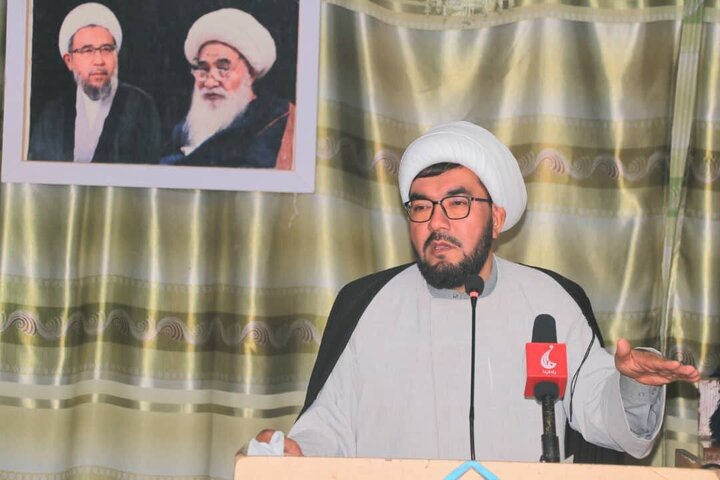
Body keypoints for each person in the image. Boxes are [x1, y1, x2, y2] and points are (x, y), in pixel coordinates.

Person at [255, 121, 700, 460]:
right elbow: (328, 427)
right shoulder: (365, 303)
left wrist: (633, 386)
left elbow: (599, 413)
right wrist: (293, 454)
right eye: (422, 206)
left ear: (498, 218)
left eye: (457, 202)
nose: (437, 222)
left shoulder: (550, 301)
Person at [160, 8, 295, 169]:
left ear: (249, 74)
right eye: (203, 69)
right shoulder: (184, 130)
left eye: (223, 68)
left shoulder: (275, 119)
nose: (210, 83)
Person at [28, 2, 161, 164]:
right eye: (87, 50)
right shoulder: (53, 115)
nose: (99, 60)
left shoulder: (140, 105)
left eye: (106, 49)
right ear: (70, 61)